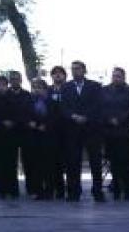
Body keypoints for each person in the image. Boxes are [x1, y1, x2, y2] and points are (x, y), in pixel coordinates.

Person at [60, 60, 104, 202]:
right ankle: (74, 192)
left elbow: (98, 105)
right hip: (72, 129)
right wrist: (73, 116)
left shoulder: (95, 86)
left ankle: (98, 191)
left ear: (84, 70)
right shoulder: (66, 87)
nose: (75, 71)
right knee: (73, 162)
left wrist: (86, 117)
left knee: (95, 162)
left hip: (91, 129)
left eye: (78, 69)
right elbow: (63, 107)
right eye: (73, 69)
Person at [101, 67, 129, 201]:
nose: (116, 78)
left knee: (126, 162)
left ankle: (127, 190)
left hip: (125, 131)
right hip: (109, 132)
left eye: (119, 76)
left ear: (124, 77)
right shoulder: (104, 90)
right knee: (113, 162)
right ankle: (115, 188)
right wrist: (109, 119)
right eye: (114, 76)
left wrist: (120, 119)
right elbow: (101, 107)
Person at [24, 79, 55, 200]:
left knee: (48, 165)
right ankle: (37, 190)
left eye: (39, 87)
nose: (37, 90)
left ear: (45, 89)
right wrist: (30, 123)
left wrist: (46, 125)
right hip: (33, 137)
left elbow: (55, 117)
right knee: (35, 165)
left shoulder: (52, 102)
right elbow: (24, 115)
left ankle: (49, 190)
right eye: (34, 87)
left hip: (48, 137)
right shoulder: (28, 102)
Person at [7, 72, 33, 196]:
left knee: (29, 161)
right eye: (12, 79)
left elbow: (29, 112)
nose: (14, 81)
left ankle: (31, 187)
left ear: (21, 80)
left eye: (16, 79)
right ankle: (13, 190)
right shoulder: (5, 95)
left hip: (25, 131)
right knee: (11, 162)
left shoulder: (27, 95)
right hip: (10, 133)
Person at [48, 66, 68, 199]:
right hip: (51, 130)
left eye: (60, 73)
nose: (57, 76)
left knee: (67, 160)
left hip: (67, 129)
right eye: (55, 74)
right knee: (53, 161)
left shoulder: (70, 89)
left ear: (64, 76)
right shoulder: (48, 90)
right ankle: (56, 188)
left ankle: (70, 188)